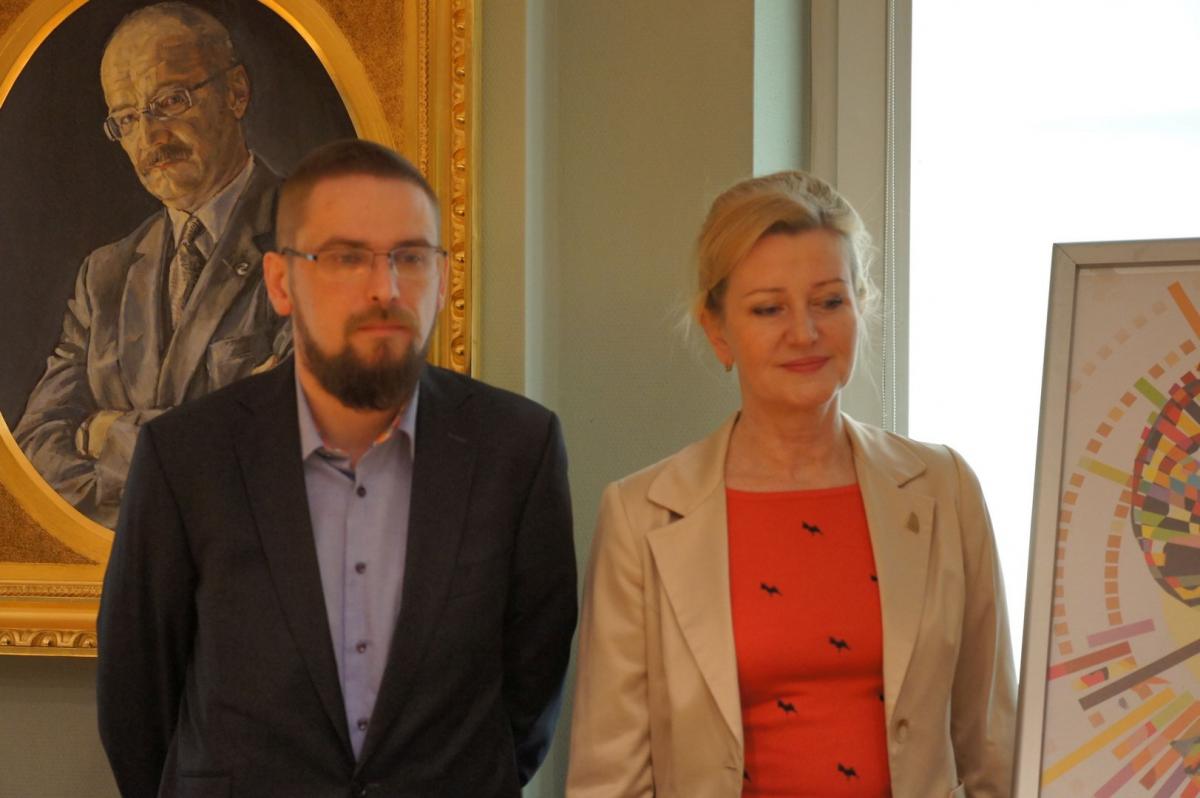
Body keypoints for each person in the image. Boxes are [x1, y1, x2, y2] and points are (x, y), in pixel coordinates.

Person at [96, 139, 578, 797]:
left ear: (442, 279)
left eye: (412, 257)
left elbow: (527, 694)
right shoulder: (186, 460)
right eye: (347, 257)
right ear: (280, 283)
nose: (385, 288)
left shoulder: (517, 450)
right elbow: (137, 708)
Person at [566, 171, 1015, 797]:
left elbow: (996, 751)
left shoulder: (945, 488)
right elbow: (609, 779)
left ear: (861, 306)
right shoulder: (642, 514)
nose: (804, 332)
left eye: (830, 302)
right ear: (717, 329)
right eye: (768, 309)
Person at [15, 1, 290, 528]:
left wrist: (101, 433)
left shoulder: (317, 239)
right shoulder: (104, 275)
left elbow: (284, 445)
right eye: (127, 118)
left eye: (170, 101)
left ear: (236, 92)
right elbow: (35, 449)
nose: (150, 138)